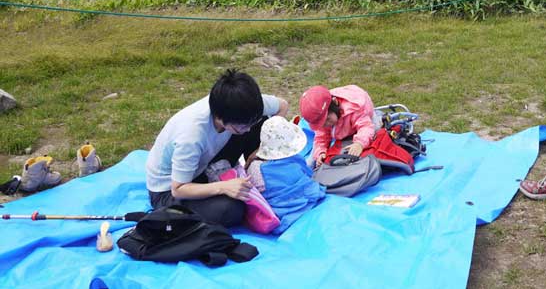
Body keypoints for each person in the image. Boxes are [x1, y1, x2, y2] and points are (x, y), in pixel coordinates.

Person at [145, 69, 288, 227]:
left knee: (262, 123)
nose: (248, 130)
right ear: (219, 118)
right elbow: (178, 189)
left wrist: (263, 146)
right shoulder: (191, 136)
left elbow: (282, 105)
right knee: (230, 210)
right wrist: (223, 187)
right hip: (170, 189)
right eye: (242, 127)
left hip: (205, 162)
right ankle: (233, 183)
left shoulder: (244, 104)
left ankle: (255, 168)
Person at [245, 115, 326, 234]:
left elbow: (256, 193)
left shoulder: (255, 168)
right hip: (304, 200)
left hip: (277, 211)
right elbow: (307, 175)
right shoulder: (296, 160)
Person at [299, 85, 376, 168]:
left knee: (375, 131)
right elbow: (321, 137)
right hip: (342, 124)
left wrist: (359, 144)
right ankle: (307, 168)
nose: (326, 125)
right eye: (322, 124)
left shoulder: (355, 110)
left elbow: (365, 127)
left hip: (361, 115)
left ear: (335, 103)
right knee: (314, 155)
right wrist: (320, 152)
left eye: (328, 119)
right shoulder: (323, 119)